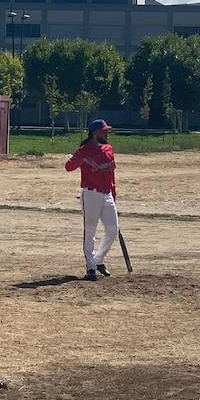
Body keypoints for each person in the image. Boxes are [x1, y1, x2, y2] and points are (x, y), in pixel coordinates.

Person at [65, 119, 118, 281]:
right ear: (95, 133)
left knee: (112, 229)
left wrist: (114, 193)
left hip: (107, 194)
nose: (107, 133)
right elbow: (68, 167)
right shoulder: (85, 149)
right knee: (90, 231)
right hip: (91, 194)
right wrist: (82, 158)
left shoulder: (109, 149)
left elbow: (111, 174)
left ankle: (98, 259)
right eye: (104, 131)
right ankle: (91, 267)